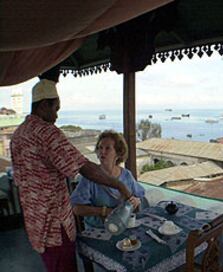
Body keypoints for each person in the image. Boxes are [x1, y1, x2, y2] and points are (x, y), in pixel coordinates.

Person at [10, 78, 133, 272]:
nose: (56, 116)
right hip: (54, 224)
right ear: (44, 105)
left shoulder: (18, 135)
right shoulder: (47, 133)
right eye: (55, 109)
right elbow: (83, 166)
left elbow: (19, 179)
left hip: (34, 220)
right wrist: (119, 186)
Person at [71, 130, 145, 229]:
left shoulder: (126, 175)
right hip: (97, 229)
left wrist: (136, 201)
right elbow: (77, 209)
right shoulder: (89, 177)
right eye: (100, 148)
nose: (102, 151)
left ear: (118, 153)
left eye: (107, 148)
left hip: (122, 227)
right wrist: (104, 211)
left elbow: (139, 196)